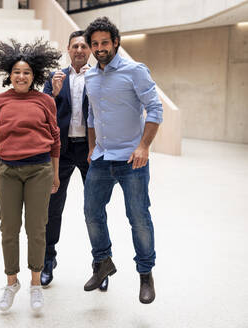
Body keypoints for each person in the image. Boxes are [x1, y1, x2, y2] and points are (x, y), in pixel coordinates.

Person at [0, 39, 61, 312]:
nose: (21, 76)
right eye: (16, 72)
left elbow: (55, 140)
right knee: (8, 229)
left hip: (40, 170)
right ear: (8, 75)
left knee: (36, 230)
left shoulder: (45, 101)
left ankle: (35, 284)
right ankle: (12, 282)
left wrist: (55, 174)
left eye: (26, 72)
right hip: (8, 171)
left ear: (34, 75)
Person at [83, 17, 163, 304]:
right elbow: (92, 116)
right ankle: (102, 262)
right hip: (102, 158)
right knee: (91, 213)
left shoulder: (135, 71)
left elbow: (155, 108)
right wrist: (92, 148)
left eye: (105, 42)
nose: (100, 48)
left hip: (132, 159)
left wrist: (144, 146)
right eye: (95, 44)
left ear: (115, 42)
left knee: (138, 217)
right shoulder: (90, 76)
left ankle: (145, 274)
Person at [41, 30, 107, 291]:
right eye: (75, 46)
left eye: (84, 46)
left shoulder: (99, 76)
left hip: (92, 151)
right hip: (62, 152)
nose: (80, 50)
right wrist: (54, 94)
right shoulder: (54, 77)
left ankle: (101, 264)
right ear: (67, 49)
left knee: (95, 210)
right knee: (52, 207)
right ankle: (48, 260)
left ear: (89, 50)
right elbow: (43, 114)